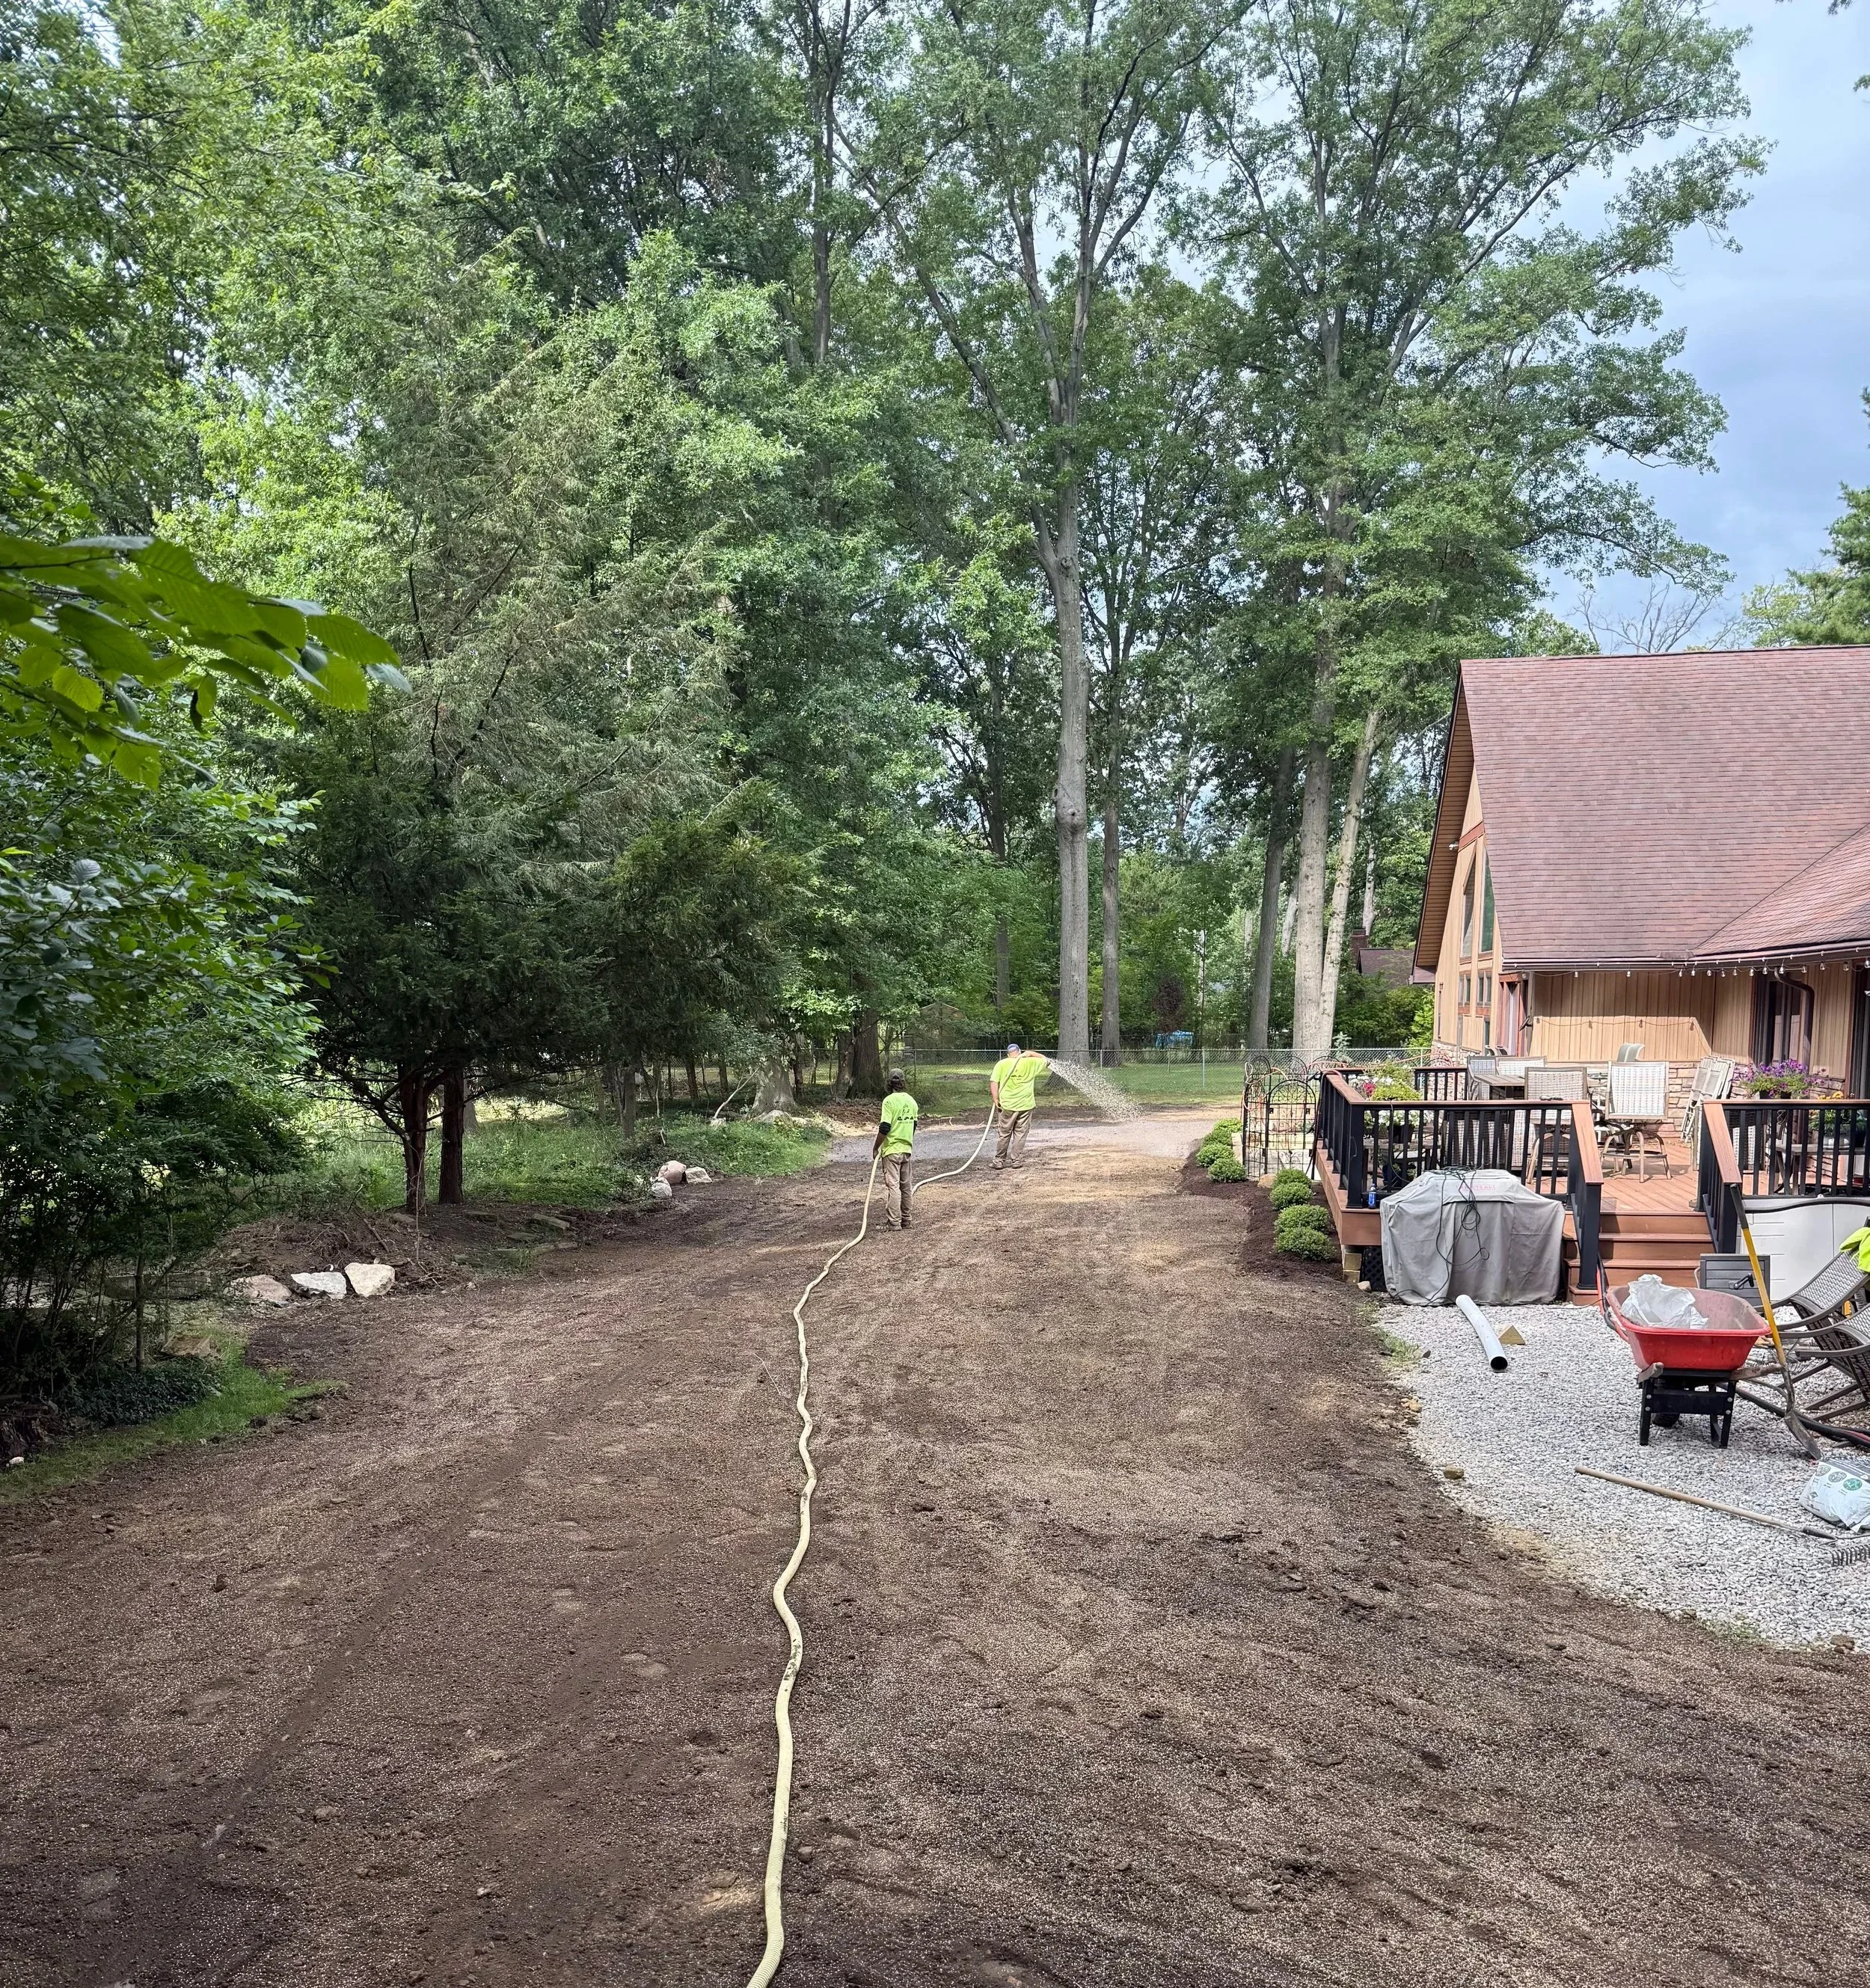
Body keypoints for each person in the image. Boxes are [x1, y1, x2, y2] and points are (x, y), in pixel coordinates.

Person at [990, 1040, 1052, 1171]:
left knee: (1004, 1134)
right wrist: (1030, 1053)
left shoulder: (1001, 1064)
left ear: (1008, 1054)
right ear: (1019, 1052)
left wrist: (996, 1099)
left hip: (1006, 1105)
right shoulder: (1030, 1062)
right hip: (1025, 1105)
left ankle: (999, 1161)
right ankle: (1016, 1160)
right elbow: (1047, 1060)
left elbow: (994, 1082)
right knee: (1021, 1134)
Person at [873, 1069, 919, 1230]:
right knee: (906, 1186)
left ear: (889, 1083)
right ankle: (906, 1220)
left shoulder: (889, 1101)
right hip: (906, 1149)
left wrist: (876, 1147)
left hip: (892, 1150)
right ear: (904, 1082)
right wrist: (906, 1140)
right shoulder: (912, 1101)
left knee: (893, 1186)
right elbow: (914, 1125)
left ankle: (894, 1222)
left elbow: (885, 1127)